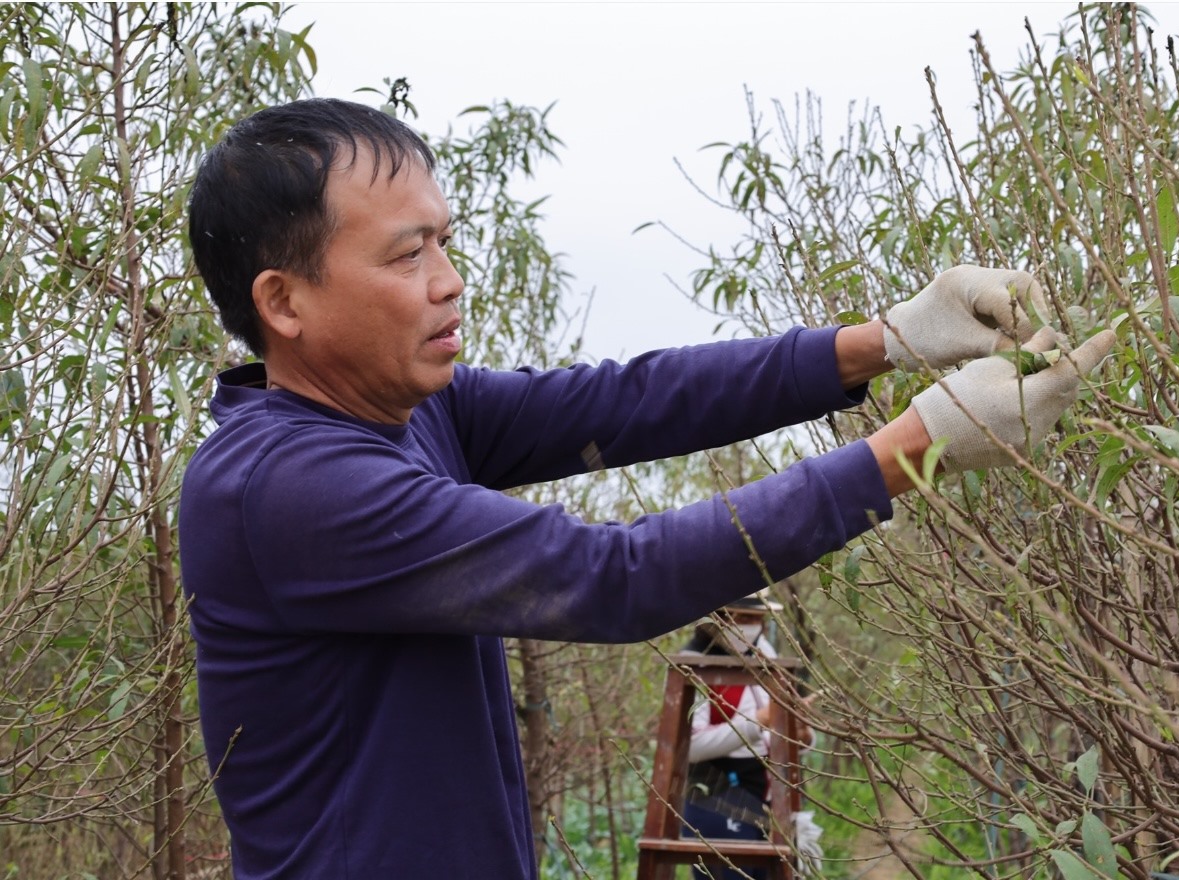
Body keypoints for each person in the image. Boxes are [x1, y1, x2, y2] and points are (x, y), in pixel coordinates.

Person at [180, 97, 1115, 879]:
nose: (449, 282)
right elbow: (615, 577)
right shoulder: (290, 488)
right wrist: (918, 449)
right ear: (284, 301)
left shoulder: (407, 412)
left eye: (445, 244)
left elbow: (632, 401)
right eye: (405, 255)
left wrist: (887, 340)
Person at [681, 594, 799, 880]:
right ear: (717, 619)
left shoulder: (764, 652)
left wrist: (802, 735)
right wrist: (757, 723)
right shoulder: (692, 663)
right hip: (716, 795)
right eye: (742, 618)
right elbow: (689, 746)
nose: (752, 626)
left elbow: (779, 723)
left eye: (757, 618)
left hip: (767, 794)